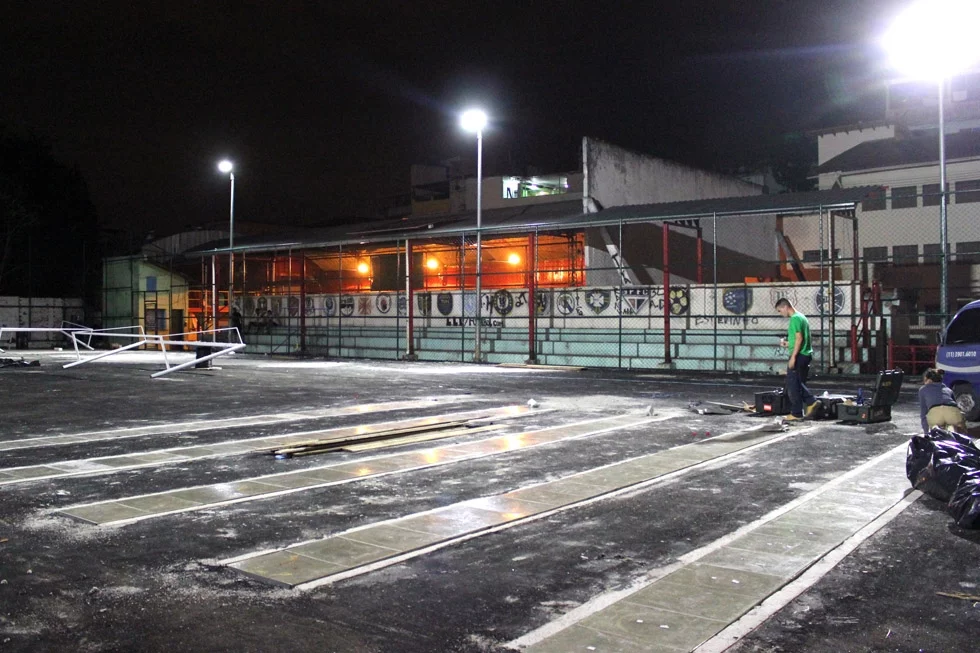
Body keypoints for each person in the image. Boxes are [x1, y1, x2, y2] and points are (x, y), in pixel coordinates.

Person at [775, 298, 820, 420]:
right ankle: (801, 410)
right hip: (805, 354)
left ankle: (805, 406)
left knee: (793, 383)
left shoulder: (794, 319)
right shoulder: (801, 317)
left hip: (800, 355)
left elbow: (799, 338)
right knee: (798, 382)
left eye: (780, 311)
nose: (781, 314)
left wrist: (793, 357)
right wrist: (788, 344)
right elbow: (800, 339)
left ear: (785, 307)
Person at [919, 368, 966, 434]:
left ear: (929, 380)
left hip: (936, 415)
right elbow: (956, 406)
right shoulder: (948, 390)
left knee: (935, 431)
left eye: (925, 380)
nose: (924, 382)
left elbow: (923, 412)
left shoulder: (923, 390)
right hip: (953, 414)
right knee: (956, 429)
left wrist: (926, 432)